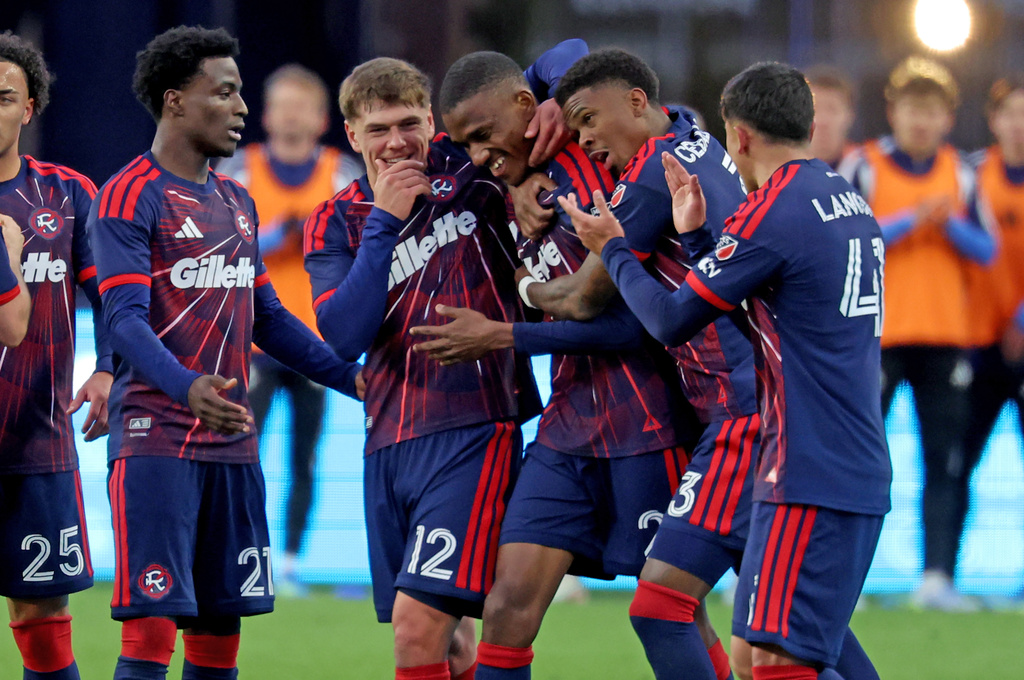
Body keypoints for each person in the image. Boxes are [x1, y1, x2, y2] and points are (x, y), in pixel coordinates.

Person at [562, 60, 891, 680]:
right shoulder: (845, 198)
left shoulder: (773, 210)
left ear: (738, 136)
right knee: (759, 653)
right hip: (832, 459)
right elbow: (765, 318)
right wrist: (693, 245)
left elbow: (667, 319)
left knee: (775, 663)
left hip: (808, 467)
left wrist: (612, 249)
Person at [409, 49, 708, 680]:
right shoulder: (508, 183)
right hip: (568, 428)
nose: (480, 156)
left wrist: (504, 335)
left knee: (675, 611)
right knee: (508, 607)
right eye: (468, 146)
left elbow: (631, 325)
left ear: (528, 108)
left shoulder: (605, 157)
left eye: (486, 137)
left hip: (650, 423)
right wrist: (512, 175)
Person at [88, 26, 363, 680]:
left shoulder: (236, 200)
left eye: (242, 94)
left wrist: (359, 383)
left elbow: (268, 318)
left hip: (231, 451)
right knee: (150, 639)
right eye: (226, 92)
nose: (242, 108)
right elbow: (124, 321)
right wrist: (186, 387)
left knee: (218, 641)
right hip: (159, 443)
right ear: (175, 99)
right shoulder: (129, 197)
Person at [507, 48, 757, 680]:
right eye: (574, 123)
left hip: (739, 415)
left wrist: (523, 293)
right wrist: (548, 100)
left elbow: (588, 299)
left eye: (589, 120)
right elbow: (568, 59)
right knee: (779, 614)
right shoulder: (691, 133)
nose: (584, 138)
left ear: (638, 104)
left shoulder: (648, 177)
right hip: (741, 406)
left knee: (674, 609)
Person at [303, 55, 546, 680]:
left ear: (432, 121)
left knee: (418, 629)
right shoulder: (336, 221)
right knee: (452, 645)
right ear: (351, 135)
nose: (396, 142)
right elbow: (343, 336)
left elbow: (561, 63)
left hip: (475, 425)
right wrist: (384, 220)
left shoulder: (473, 173)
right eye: (378, 129)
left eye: (409, 123)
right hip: (386, 440)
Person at [840, 56, 994, 611]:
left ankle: (936, 579)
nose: (921, 122)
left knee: (945, 462)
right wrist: (913, 221)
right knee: (859, 464)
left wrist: (947, 222)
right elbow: (851, 237)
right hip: (876, 337)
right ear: (893, 112)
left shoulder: (965, 172)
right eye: (912, 110)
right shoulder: (864, 166)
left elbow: (987, 249)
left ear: (948, 118)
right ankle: (846, 581)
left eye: (932, 112)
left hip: (946, 337)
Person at [216, 63, 363, 597]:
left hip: (315, 345)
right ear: (267, 114)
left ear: (323, 118)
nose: (292, 115)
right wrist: (276, 237)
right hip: (250, 342)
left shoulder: (342, 174)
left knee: (305, 455)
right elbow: (215, 244)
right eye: (283, 105)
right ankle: (239, 550)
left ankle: (292, 560)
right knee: (238, 452)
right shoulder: (240, 171)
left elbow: (368, 248)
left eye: (302, 106)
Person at [0, 32, 115, 680]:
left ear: (30, 108)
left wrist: (105, 368)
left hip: (37, 446)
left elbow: (113, 296)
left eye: (3, 97)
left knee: (42, 624)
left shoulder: (67, 195)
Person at [957, 74, 1024, 593]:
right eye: (1012, 113)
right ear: (994, 119)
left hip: (1020, 337)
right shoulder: (970, 176)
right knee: (957, 464)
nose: (1020, 124)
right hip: (977, 344)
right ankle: (941, 579)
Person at [805, 65, 857, 169]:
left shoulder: (870, 172)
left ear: (850, 116)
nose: (822, 121)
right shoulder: (776, 173)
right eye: (813, 110)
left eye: (832, 109)